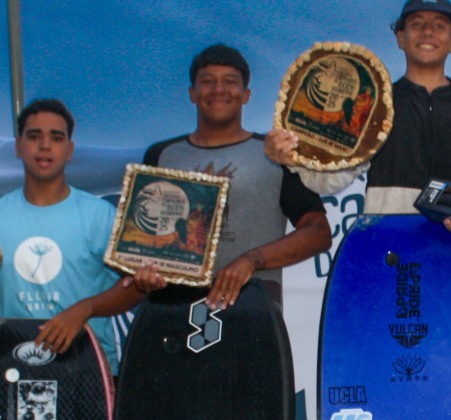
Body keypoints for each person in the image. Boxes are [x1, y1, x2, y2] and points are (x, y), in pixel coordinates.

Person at [267, 0, 451, 257]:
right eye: (417, 24)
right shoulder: (373, 107)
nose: (428, 31)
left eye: (439, 26)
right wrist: (294, 158)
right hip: (390, 256)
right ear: (400, 38)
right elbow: (331, 180)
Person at [0, 98, 140, 371]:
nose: (45, 145)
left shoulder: (99, 216)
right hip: (10, 364)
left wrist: (84, 309)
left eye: (56, 138)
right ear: (18, 146)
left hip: (87, 367)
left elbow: (135, 287)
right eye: (34, 136)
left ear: (69, 149)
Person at [127, 43, 330, 306]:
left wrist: (251, 260)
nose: (218, 90)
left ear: (246, 94)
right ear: (192, 93)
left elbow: (318, 232)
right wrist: (144, 271)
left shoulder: (275, 153)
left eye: (230, 82)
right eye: (207, 81)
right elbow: (143, 241)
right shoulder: (163, 155)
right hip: (171, 305)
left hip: (251, 302)